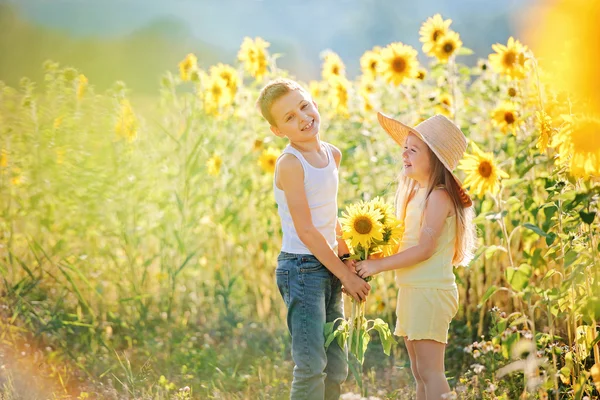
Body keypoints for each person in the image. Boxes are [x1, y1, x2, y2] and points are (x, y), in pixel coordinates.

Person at [256, 78, 371, 400]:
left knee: (336, 363)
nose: (303, 118)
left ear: (315, 104)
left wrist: (348, 260)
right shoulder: (291, 164)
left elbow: (330, 218)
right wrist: (344, 273)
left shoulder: (331, 155)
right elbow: (306, 230)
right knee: (311, 365)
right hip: (301, 269)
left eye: (304, 107)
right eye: (289, 117)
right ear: (278, 131)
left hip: (330, 262)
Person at [355, 113, 476, 400]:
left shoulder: (440, 196)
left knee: (431, 371)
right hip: (412, 290)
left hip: (430, 291)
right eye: (404, 147)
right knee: (419, 372)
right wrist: (371, 251)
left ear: (434, 159)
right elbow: (405, 243)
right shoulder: (416, 195)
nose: (404, 153)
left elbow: (425, 249)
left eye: (413, 149)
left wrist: (378, 266)